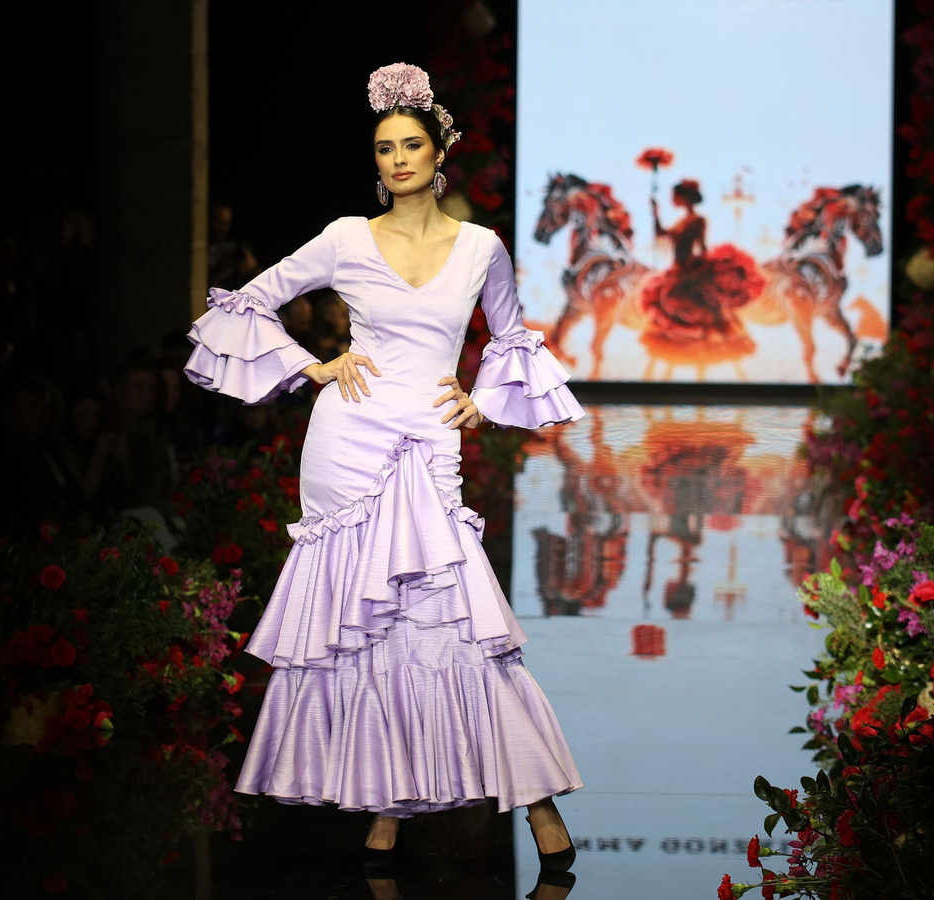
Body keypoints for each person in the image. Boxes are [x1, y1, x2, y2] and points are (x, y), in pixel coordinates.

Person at [184, 63, 583, 878]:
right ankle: (383, 812)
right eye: (385, 148)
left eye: (412, 145)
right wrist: (313, 366)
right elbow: (248, 300)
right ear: (378, 163)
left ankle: (536, 799)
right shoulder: (344, 236)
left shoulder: (482, 248)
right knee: (362, 625)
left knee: (457, 623)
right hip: (349, 442)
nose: (398, 158)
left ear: (441, 157)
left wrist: (480, 397)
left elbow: (510, 338)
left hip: (430, 441)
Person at [639, 178, 765, 351]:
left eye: (675, 196)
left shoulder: (698, 220)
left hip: (688, 267)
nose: (673, 200)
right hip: (678, 267)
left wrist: (703, 267)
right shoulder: (682, 221)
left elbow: (702, 245)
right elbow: (662, 233)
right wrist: (655, 212)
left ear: (685, 198)